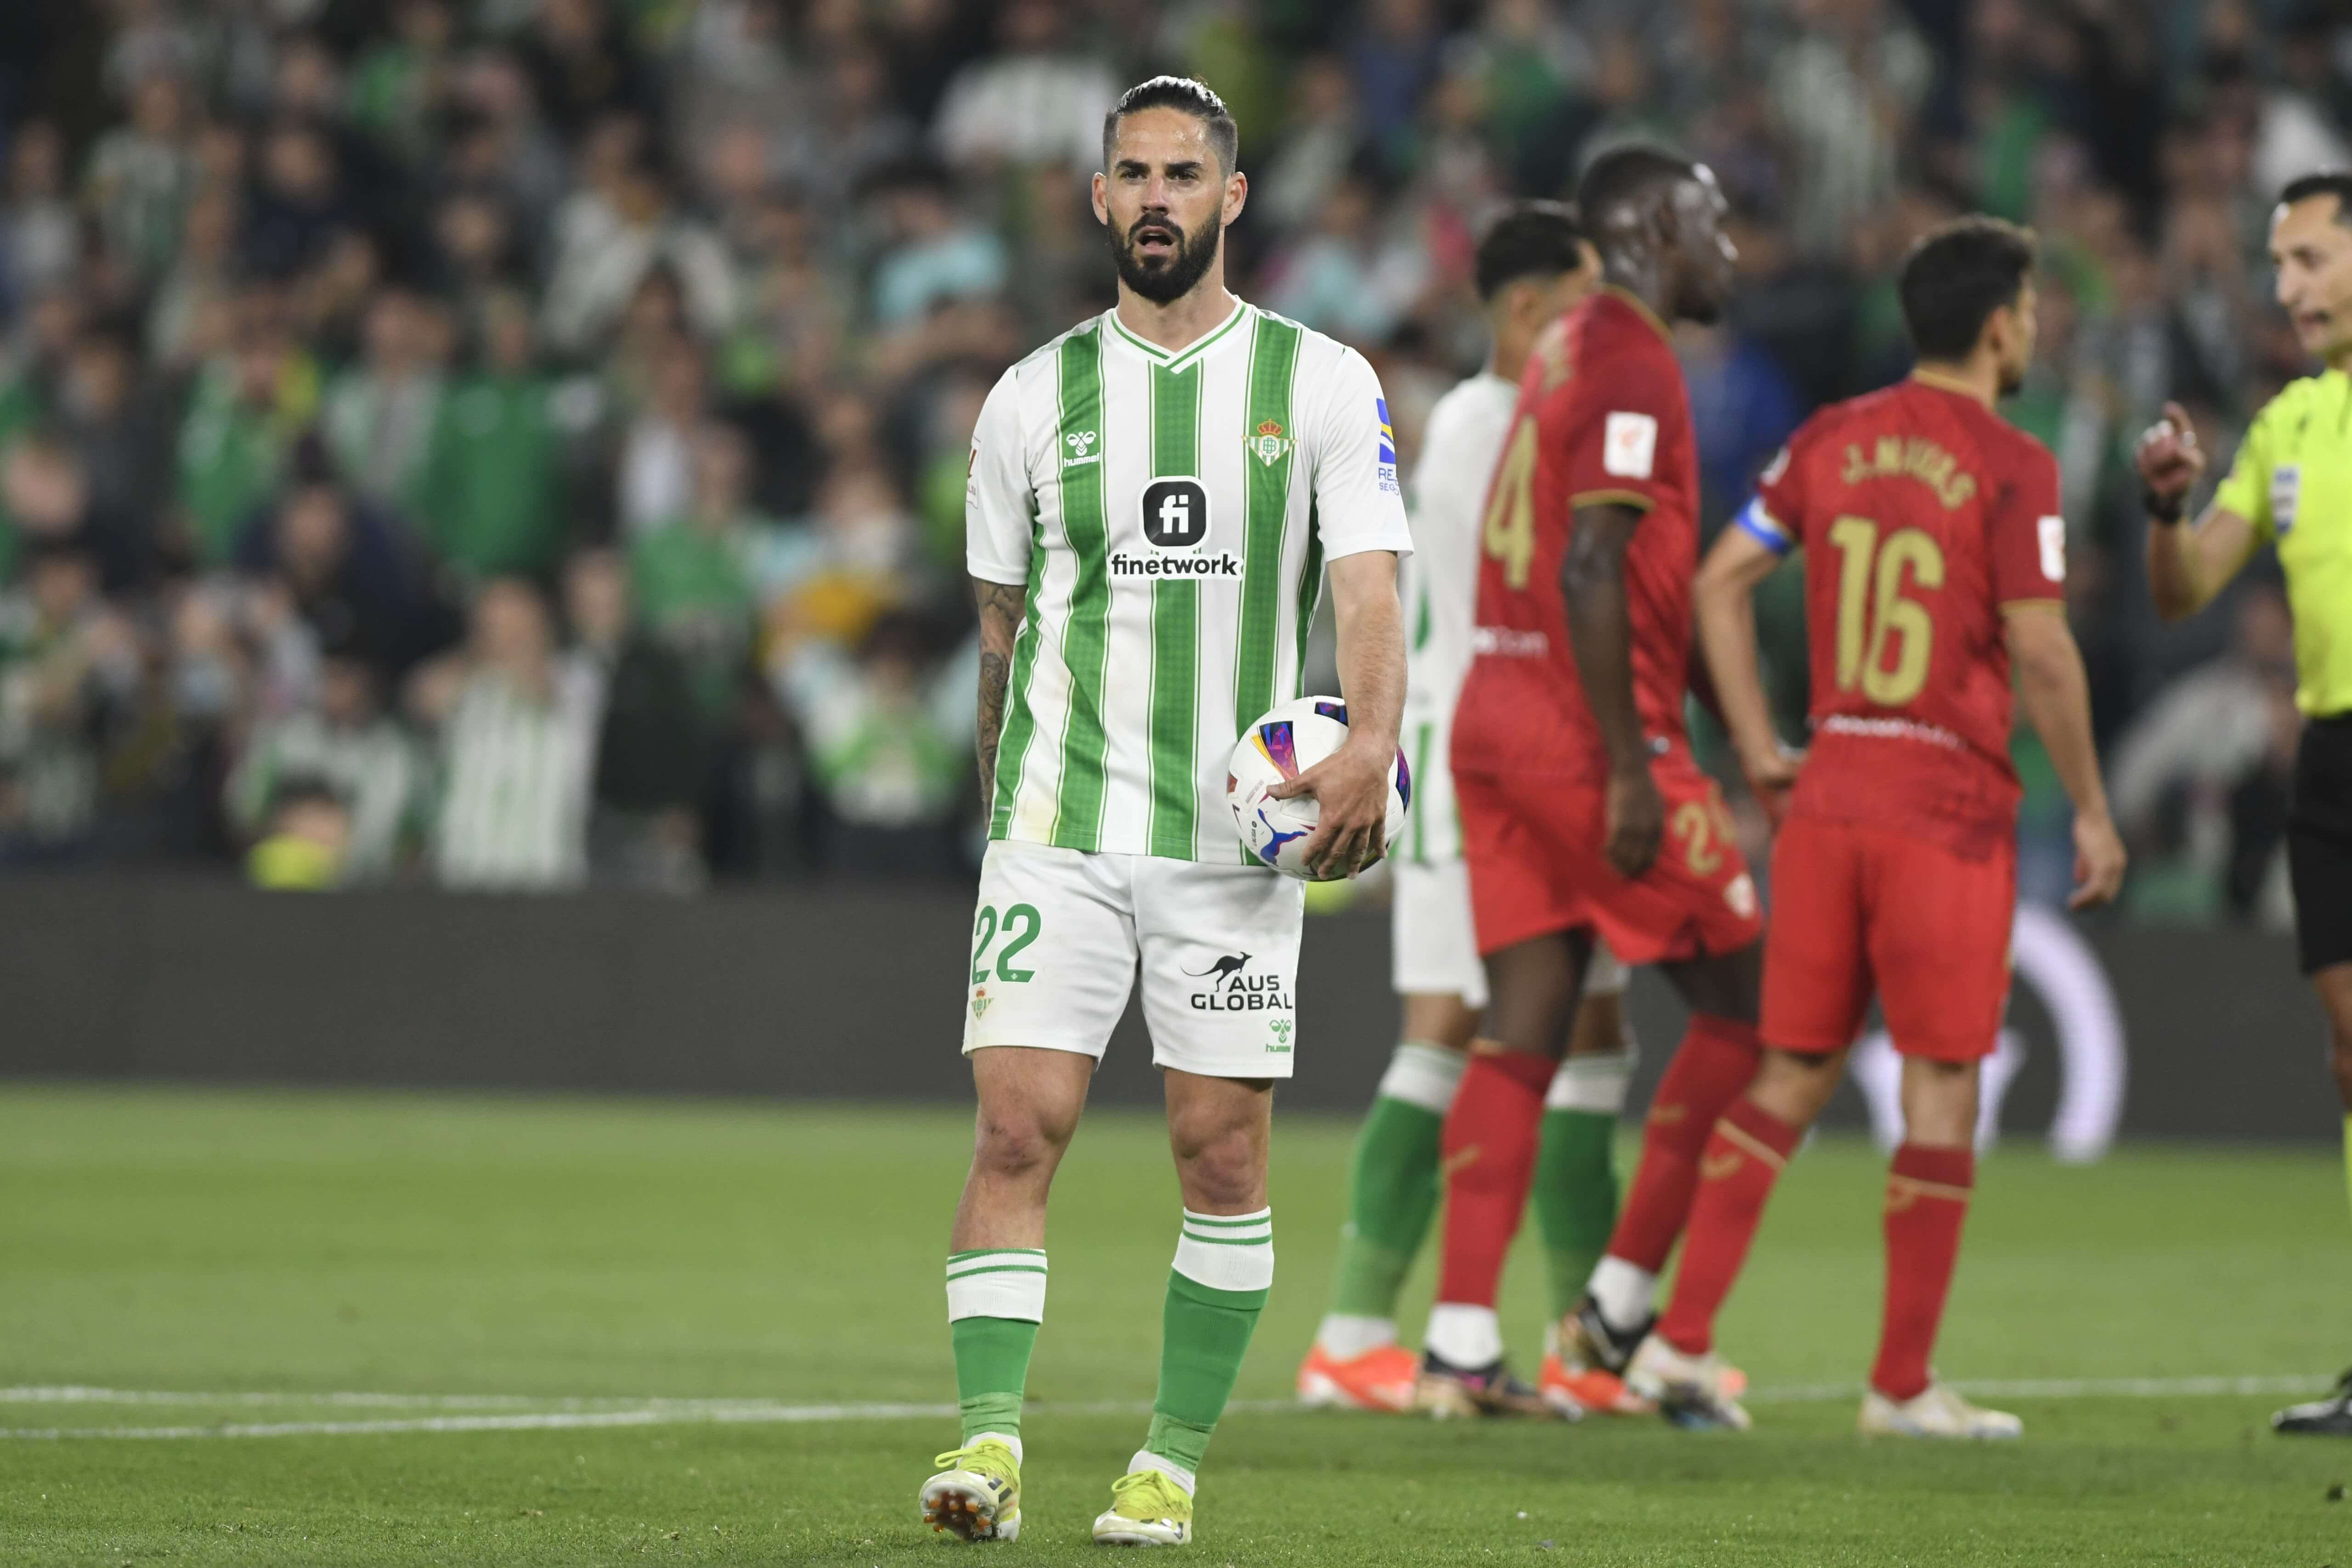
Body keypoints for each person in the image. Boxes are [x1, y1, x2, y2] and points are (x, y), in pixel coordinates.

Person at [918, 77, 1411, 1548]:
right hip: (1058, 824)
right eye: (1131, 173)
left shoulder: (1321, 381)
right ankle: (989, 1447)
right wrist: (1002, 812)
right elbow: (1000, 631)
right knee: (1017, 1129)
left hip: (1230, 841)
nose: (1155, 198)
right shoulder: (1029, 396)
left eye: (1182, 175)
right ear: (1098, 196)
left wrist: (1373, 744)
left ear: (1231, 197)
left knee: (1222, 1156)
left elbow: (1367, 586)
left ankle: (1170, 1464)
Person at [1664, 216, 2127, 1438]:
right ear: (1999, 326)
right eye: (2031, 309)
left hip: (1829, 790)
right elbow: (2042, 648)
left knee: (1792, 1072)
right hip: (1944, 804)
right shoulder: (2015, 463)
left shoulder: (1829, 438)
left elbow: (1720, 581)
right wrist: (2091, 807)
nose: (2035, 327)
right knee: (1941, 1083)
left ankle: (1679, 1344)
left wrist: (1757, 745)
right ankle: (1902, 1387)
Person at [1294, 201, 1646, 1421]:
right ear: (1528, 307)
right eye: (1587, 298)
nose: (1605, 323)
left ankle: (1590, 1345)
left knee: (1593, 1032)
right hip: (1476, 755)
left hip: (1544, 752)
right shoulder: (1491, 424)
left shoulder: (1498, 420)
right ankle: (1351, 1335)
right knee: (1451, 1024)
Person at [1435, 145, 1763, 1431]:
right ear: (1659, 227)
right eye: (1714, 223)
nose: (1730, 249)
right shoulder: (1631, 355)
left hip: (1495, 718)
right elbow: (1591, 564)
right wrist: (1632, 762)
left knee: (1522, 1027)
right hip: (1584, 735)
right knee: (1754, 1010)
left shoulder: (1566, 347)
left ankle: (1462, 1344)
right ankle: (1621, 1311)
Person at [2132, 171, 2352, 1437]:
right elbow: (2184, 590)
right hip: (2330, 759)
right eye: (2278, 263)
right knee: (2351, 1047)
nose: (2288, 286)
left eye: (2312, 258)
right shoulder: (2287, 427)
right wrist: (2168, 507)